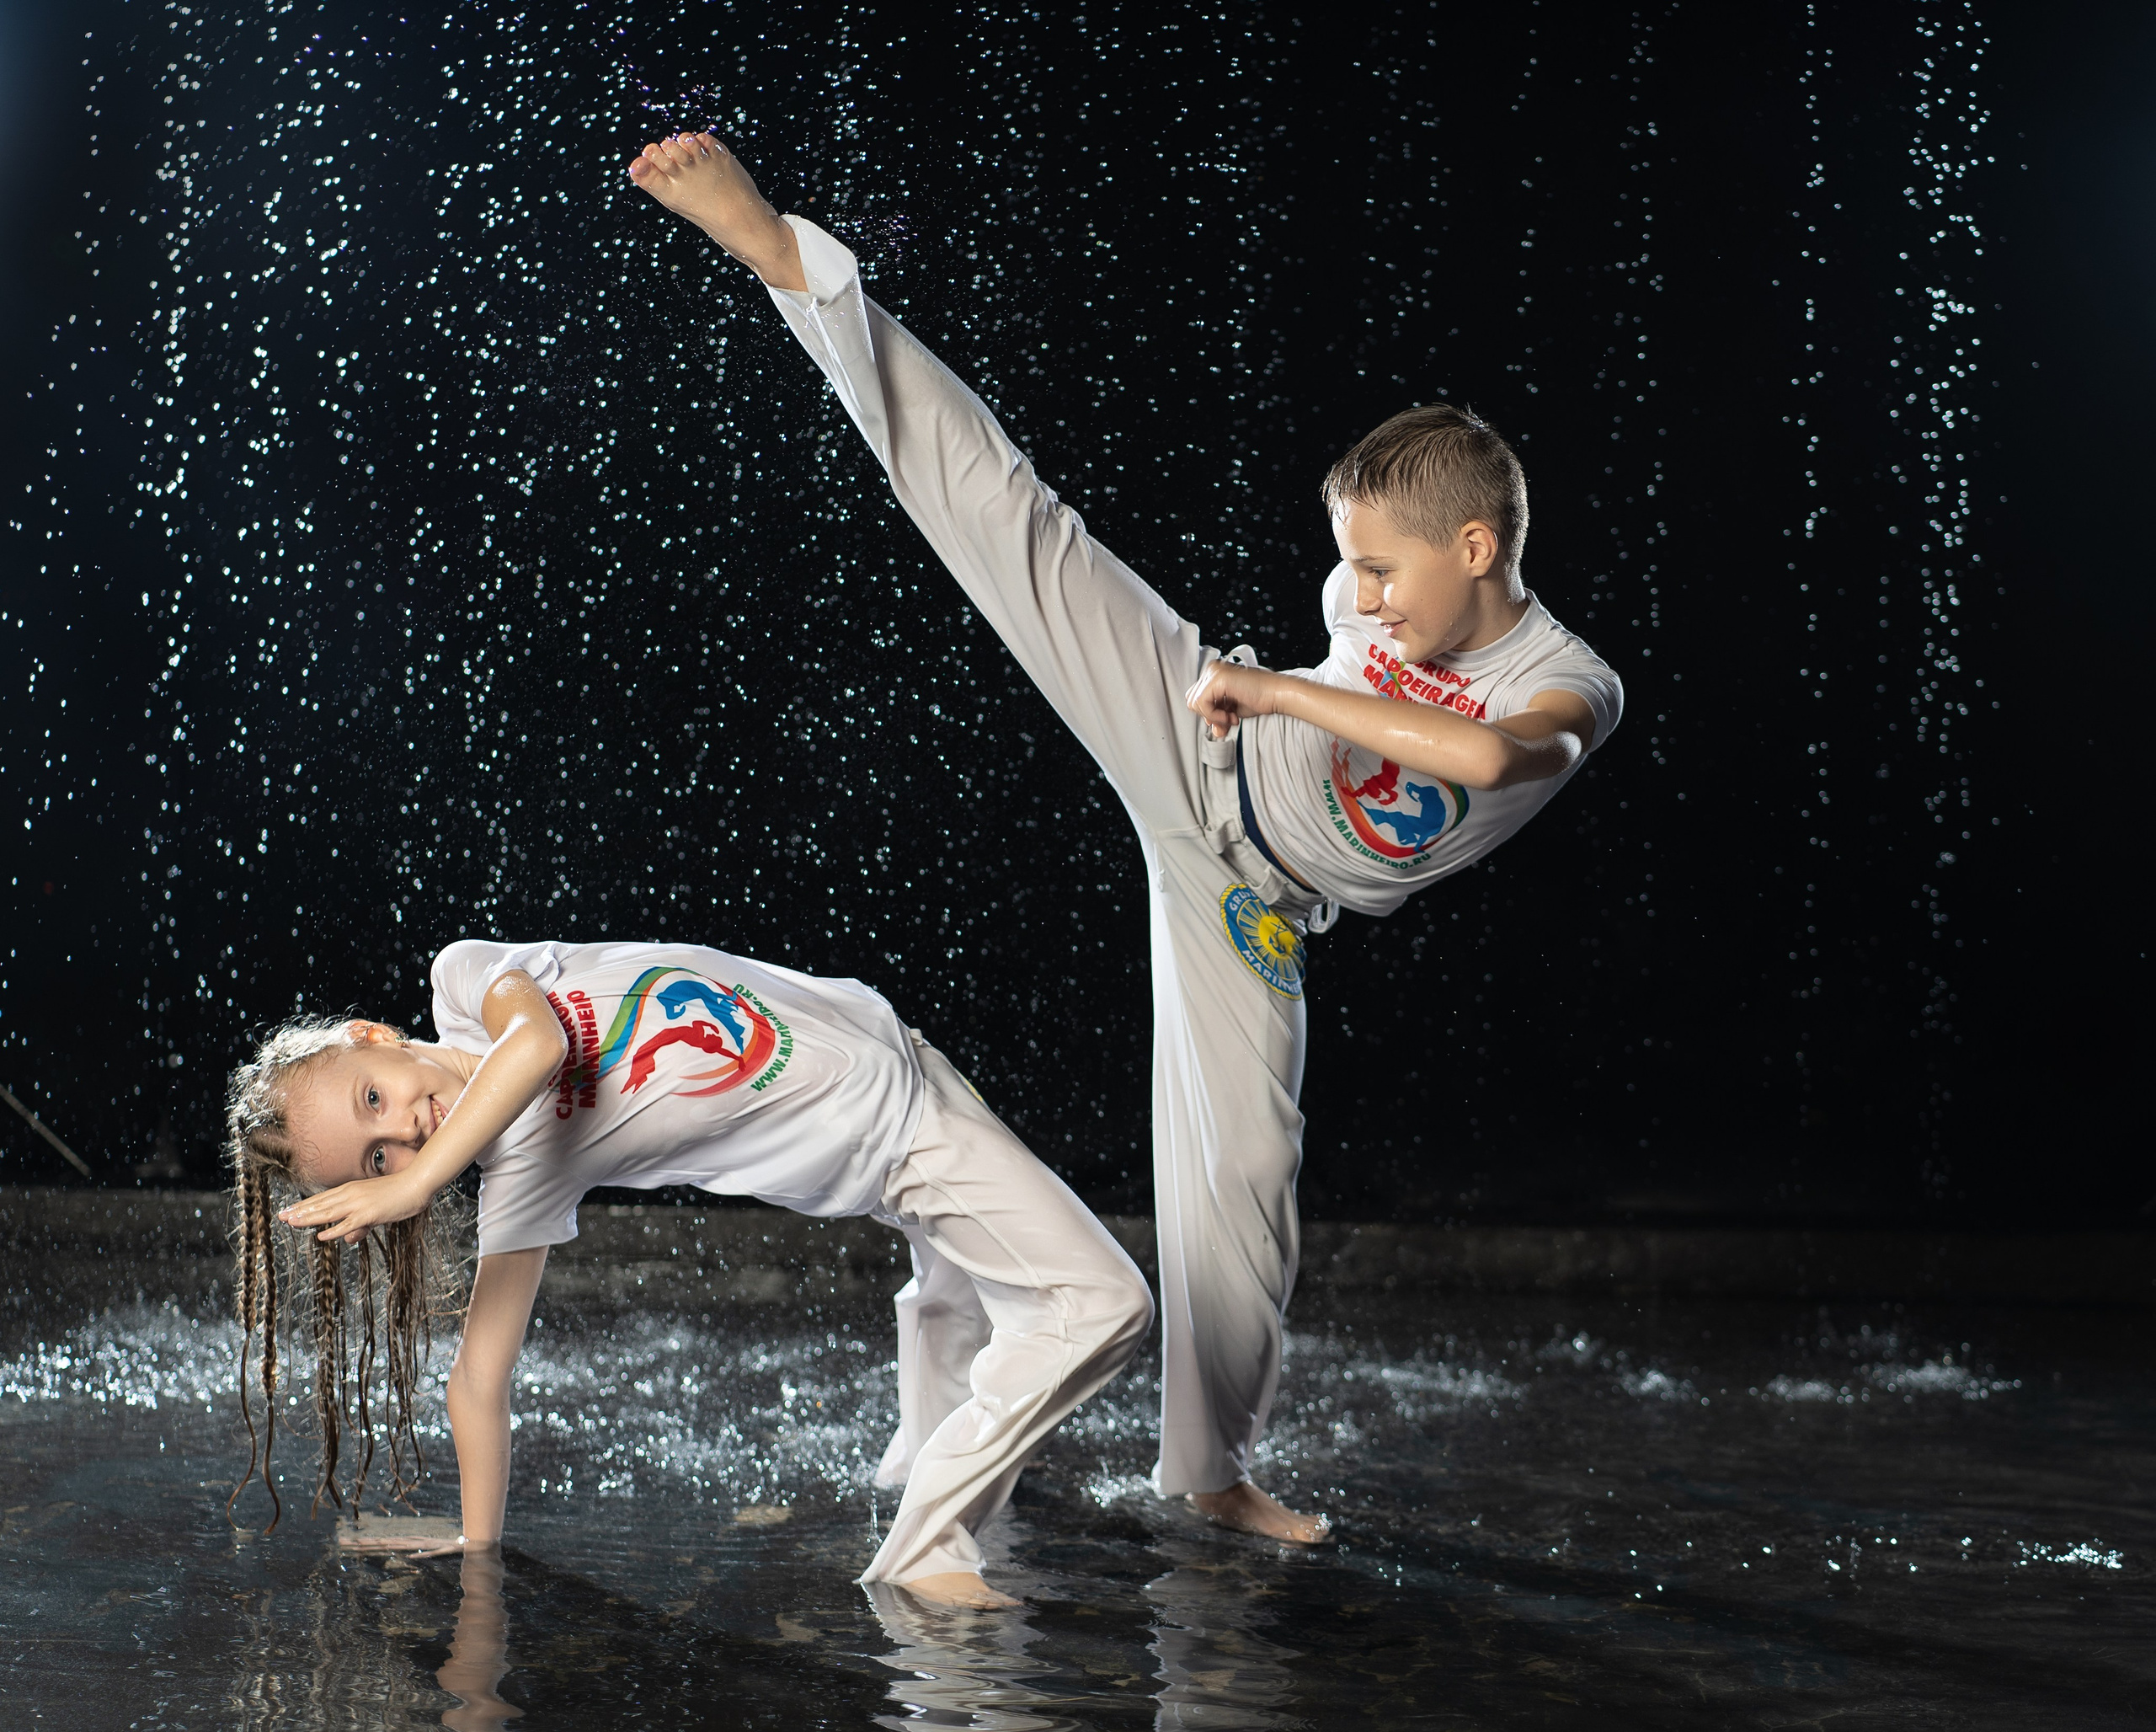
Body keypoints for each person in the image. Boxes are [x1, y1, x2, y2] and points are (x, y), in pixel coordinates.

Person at [626, 130, 1622, 1545]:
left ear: (1479, 548)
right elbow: (1333, 657)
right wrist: (1271, 687)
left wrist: (1279, 681)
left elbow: (1486, 754)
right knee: (1013, 522)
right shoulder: (1377, 592)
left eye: (1383, 571)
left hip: (1258, 902)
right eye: (1346, 565)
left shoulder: (1569, 680)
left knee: (1245, 1187)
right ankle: (796, 267)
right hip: (1195, 734)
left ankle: (1207, 1476)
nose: (1360, 596)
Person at [231, 938, 1153, 1609]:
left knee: (955, 1282)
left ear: (373, 1035)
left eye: (374, 1097)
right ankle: (927, 1545)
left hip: (897, 1048)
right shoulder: (525, 1171)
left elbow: (539, 1046)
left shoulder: (466, 980)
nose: (408, 1132)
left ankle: (921, 1449)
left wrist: (420, 1182)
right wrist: (477, 1549)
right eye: (379, 1160)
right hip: (894, 1140)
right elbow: (479, 1375)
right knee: (1108, 1304)